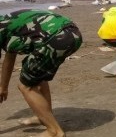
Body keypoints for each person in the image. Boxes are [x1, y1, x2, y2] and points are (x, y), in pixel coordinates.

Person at [0, 9, 82, 137]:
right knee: (37, 77)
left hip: (57, 38)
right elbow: (9, 57)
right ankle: (43, 117)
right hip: (72, 33)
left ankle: (54, 131)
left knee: (26, 86)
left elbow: (9, 59)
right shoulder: (8, 22)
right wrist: (3, 87)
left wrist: (3, 88)